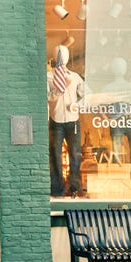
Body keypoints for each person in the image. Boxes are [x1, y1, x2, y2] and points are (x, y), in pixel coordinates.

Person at [48, 44, 86, 197]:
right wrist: (61, 88)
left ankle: (74, 187)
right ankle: (56, 188)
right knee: (55, 155)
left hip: (73, 120)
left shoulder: (75, 77)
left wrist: (78, 104)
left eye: (63, 54)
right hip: (56, 120)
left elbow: (84, 95)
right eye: (58, 53)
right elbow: (49, 97)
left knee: (75, 153)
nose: (61, 56)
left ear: (68, 57)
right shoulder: (49, 77)